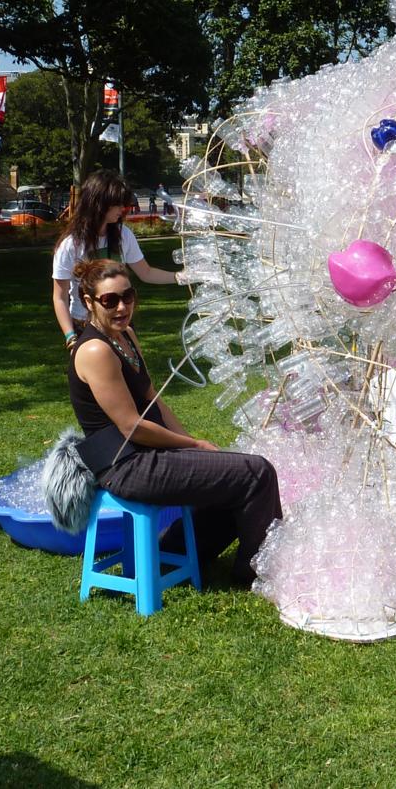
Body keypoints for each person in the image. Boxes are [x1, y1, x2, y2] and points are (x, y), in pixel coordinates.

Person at [67, 258, 281, 585]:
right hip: (126, 465)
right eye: (110, 300)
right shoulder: (95, 351)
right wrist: (193, 444)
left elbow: (153, 399)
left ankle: (172, 551)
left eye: (128, 296)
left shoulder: (125, 336)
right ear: (89, 302)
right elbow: (132, 427)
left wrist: (192, 447)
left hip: (146, 453)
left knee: (234, 472)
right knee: (258, 473)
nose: (122, 307)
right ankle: (257, 572)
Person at [52, 169, 178, 353]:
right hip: (85, 325)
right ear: (99, 204)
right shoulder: (71, 245)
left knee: (134, 370)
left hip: (121, 321)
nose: (123, 208)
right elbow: (60, 297)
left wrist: (181, 277)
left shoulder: (124, 235)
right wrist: (71, 338)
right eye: (118, 203)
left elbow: (146, 273)